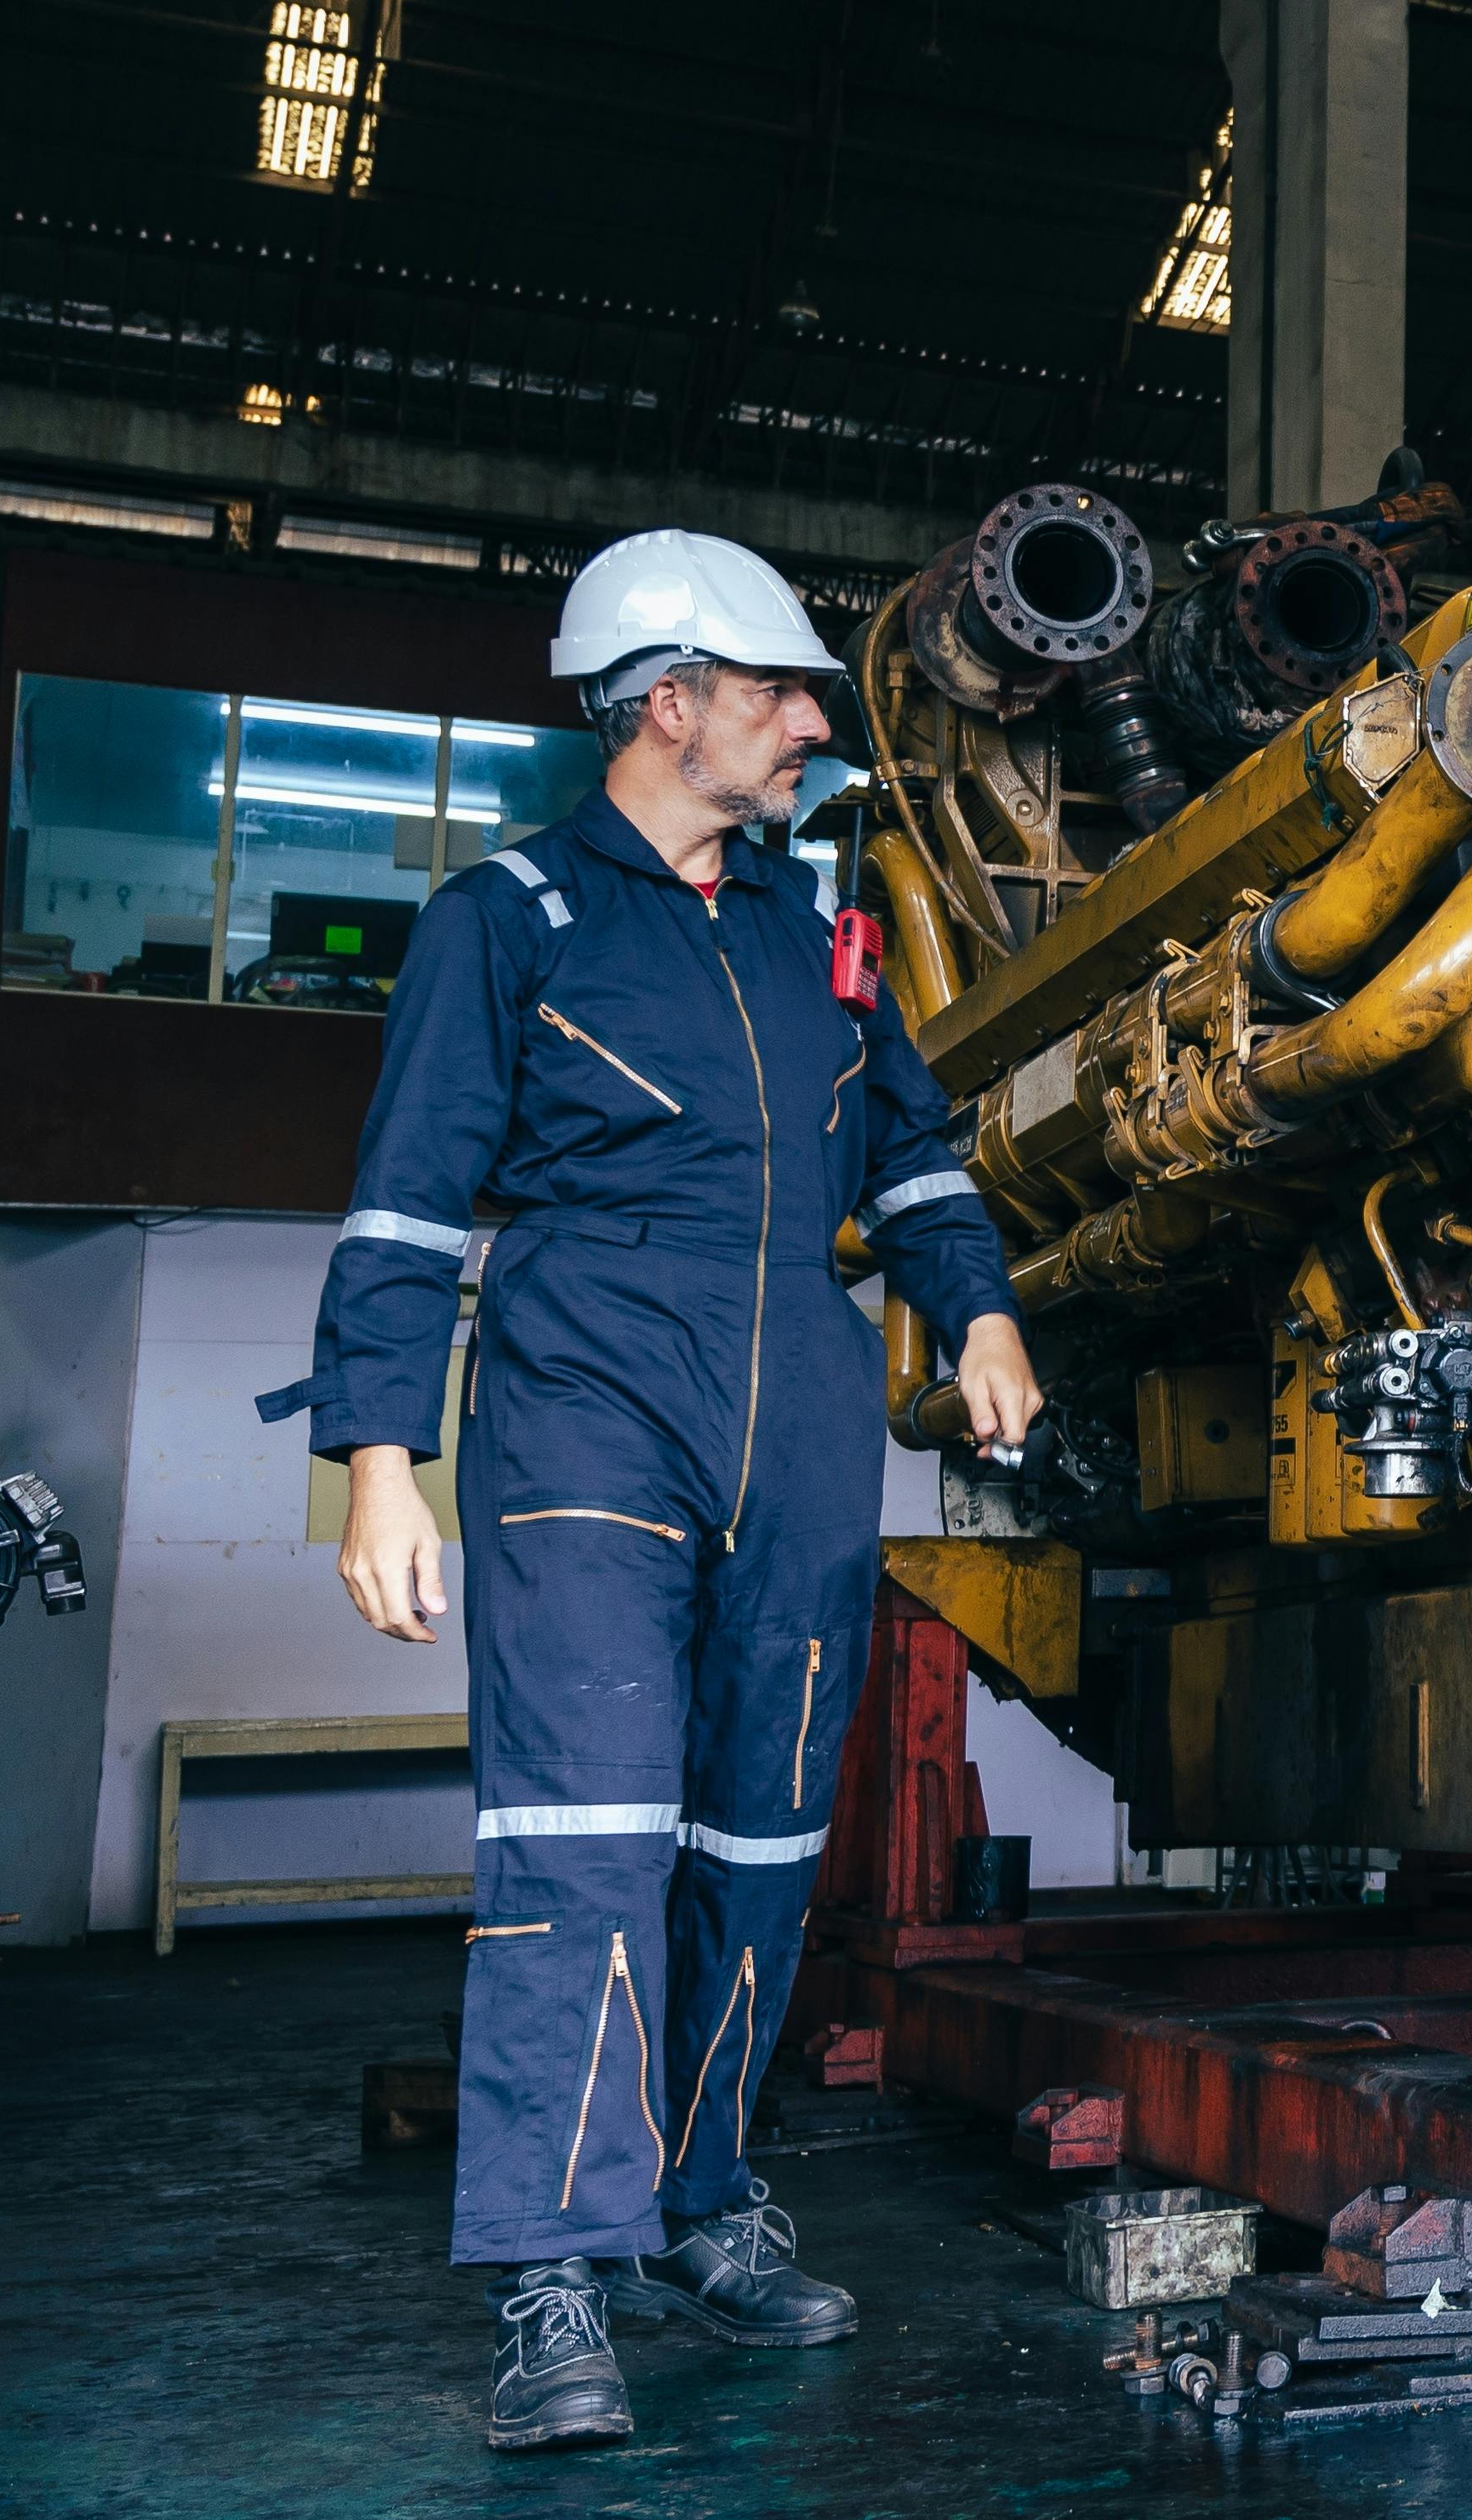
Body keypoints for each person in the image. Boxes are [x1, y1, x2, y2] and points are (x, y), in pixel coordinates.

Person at [258, 531, 1047, 2448]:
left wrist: (979, 1309)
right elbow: (406, 1203)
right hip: (588, 1395)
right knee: (586, 1832)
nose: (809, 728)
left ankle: (698, 2202)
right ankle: (552, 2271)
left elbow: (915, 1154)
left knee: (761, 1847)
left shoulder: (816, 933)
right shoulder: (509, 919)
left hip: (799, 1405)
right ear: (666, 702)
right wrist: (380, 1464)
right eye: (777, 695)